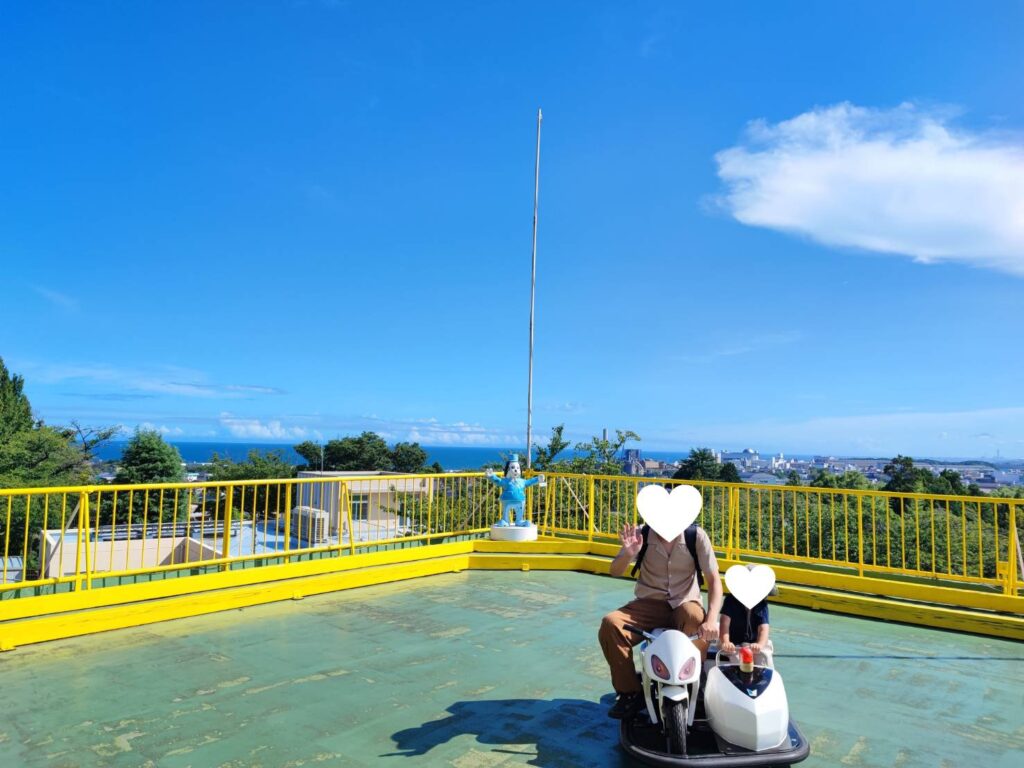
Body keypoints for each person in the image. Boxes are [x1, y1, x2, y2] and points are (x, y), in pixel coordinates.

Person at [598, 501, 722, 720]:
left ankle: (695, 682)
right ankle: (629, 692)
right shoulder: (642, 534)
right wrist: (628, 554)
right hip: (649, 603)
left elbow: (714, 581)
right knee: (611, 624)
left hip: (685, 603)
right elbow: (614, 571)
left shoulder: (696, 536)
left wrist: (711, 619)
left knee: (695, 617)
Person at [718, 565, 778, 663]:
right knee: (735, 659)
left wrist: (760, 644)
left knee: (763, 658)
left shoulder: (762, 605)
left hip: (754, 643)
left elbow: (763, 628)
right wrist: (726, 642)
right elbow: (724, 623)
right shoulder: (730, 600)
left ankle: (762, 675)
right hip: (733, 642)